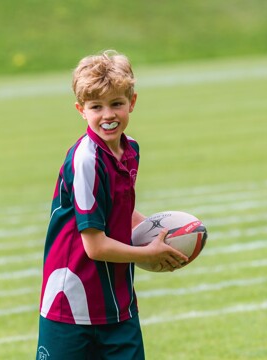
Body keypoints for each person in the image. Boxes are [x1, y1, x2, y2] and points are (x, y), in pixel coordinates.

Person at [36, 50, 188, 360]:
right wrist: (148, 254)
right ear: (81, 110)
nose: (108, 115)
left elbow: (120, 209)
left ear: (132, 102)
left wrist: (162, 233)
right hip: (71, 306)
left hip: (118, 305)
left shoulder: (130, 150)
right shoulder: (86, 160)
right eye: (96, 107)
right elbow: (95, 247)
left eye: (117, 103)